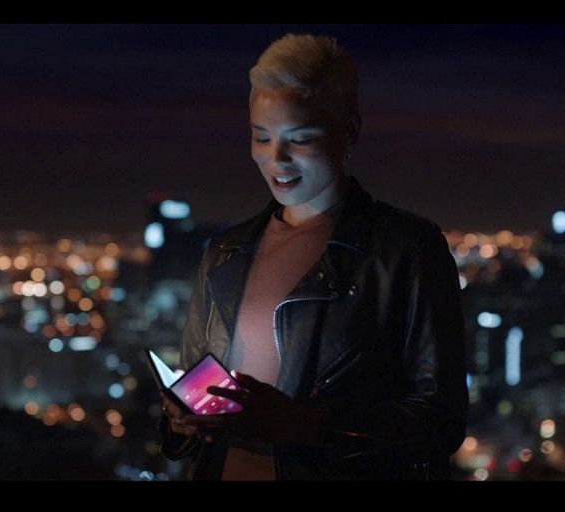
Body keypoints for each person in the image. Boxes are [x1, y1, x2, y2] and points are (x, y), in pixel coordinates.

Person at [157, 32, 468, 481]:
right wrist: (180, 419)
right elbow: (191, 394)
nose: (276, 159)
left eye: (299, 139)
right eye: (261, 137)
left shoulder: (406, 249)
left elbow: (441, 419)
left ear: (350, 130)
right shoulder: (225, 254)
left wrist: (306, 426)